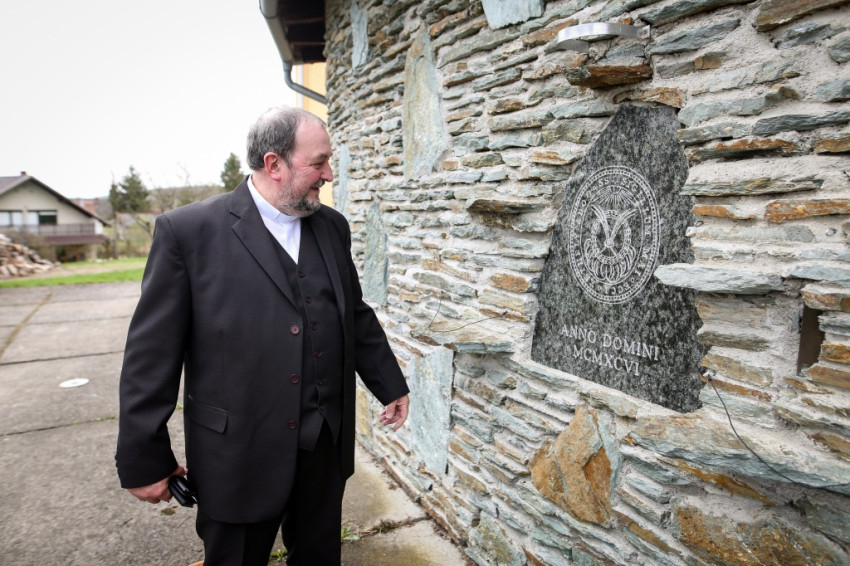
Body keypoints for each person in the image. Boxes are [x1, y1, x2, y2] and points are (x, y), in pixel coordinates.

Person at [116, 107, 410, 566]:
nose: (329, 174)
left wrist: (389, 384)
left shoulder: (332, 226)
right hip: (237, 453)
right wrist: (144, 459)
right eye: (318, 162)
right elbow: (150, 356)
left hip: (323, 446)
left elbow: (353, 313)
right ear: (274, 164)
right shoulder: (187, 232)